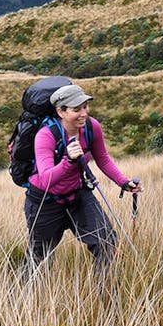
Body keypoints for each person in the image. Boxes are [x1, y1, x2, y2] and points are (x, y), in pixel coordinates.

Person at [24, 82, 141, 276]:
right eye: (76, 109)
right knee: (39, 258)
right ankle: (24, 300)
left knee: (106, 242)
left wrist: (124, 182)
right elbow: (45, 180)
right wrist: (68, 160)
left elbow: (102, 158)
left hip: (77, 195)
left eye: (85, 107)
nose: (84, 113)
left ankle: (106, 297)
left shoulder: (91, 127)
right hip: (45, 202)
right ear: (60, 112)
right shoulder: (46, 136)